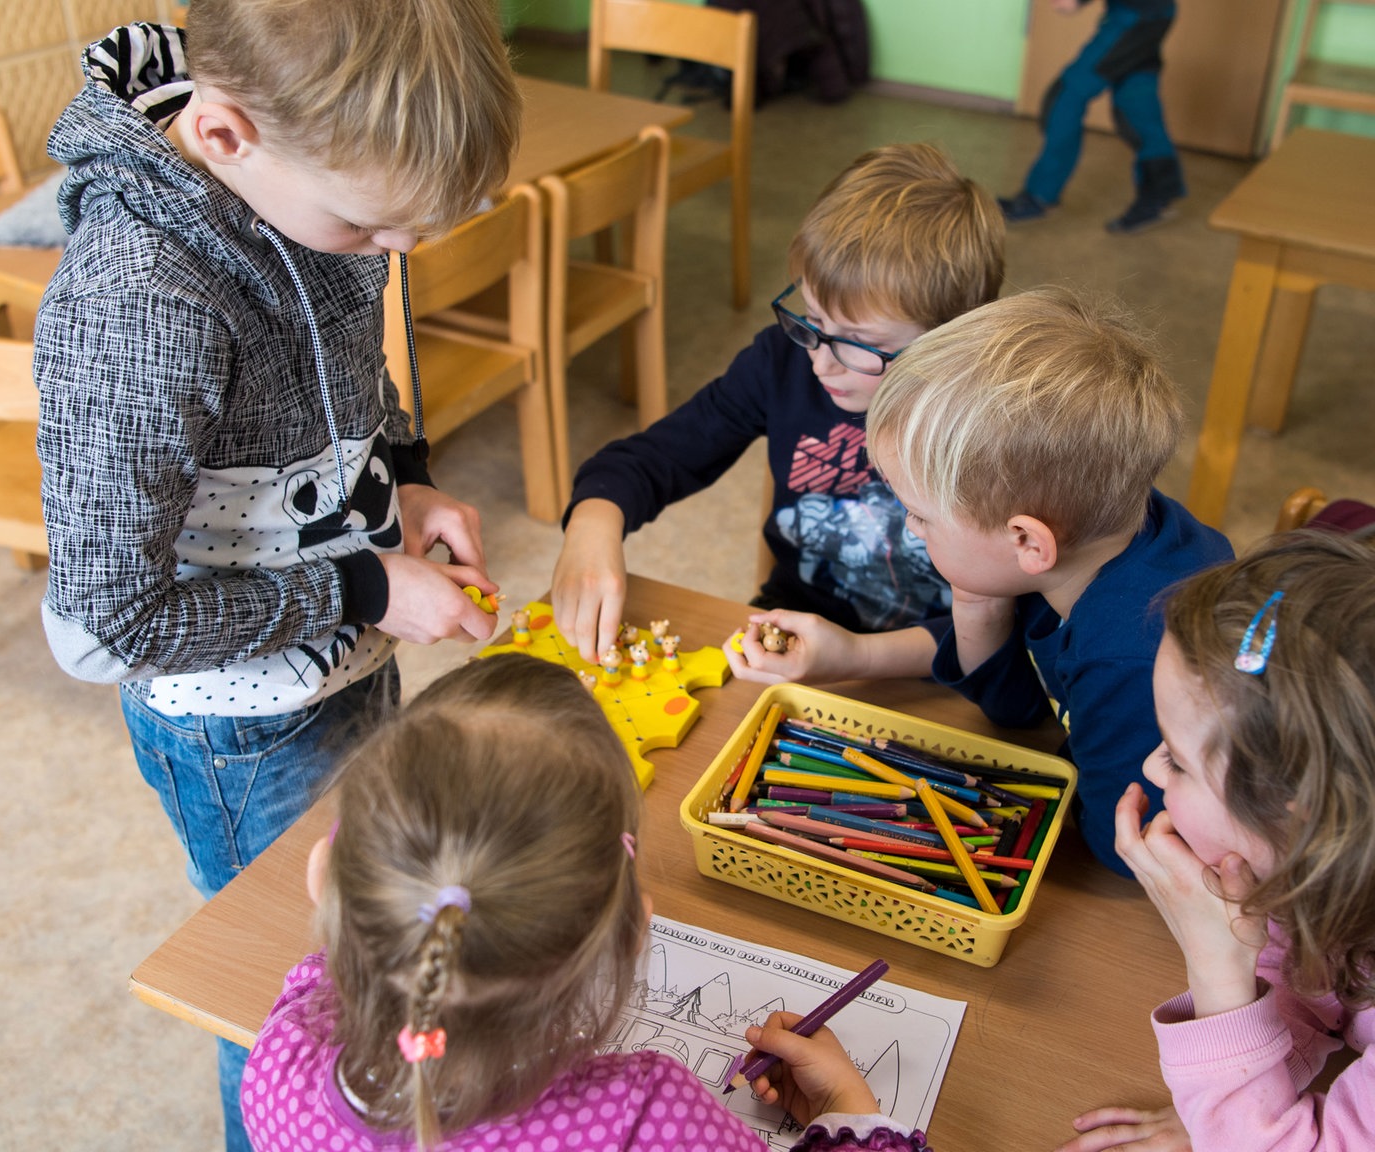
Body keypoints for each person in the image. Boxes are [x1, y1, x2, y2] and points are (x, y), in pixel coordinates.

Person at [31, 4, 520, 1147]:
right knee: (280, 990)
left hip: (340, 664)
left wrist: (406, 478)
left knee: (363, 942)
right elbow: (102, 624)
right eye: (367, 225)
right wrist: (364, 586)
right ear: (228, 133)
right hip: (242, 728)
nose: (390, 256)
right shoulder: (140, 302)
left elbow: (344, 364)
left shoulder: (297, 195)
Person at [241, 654, 929, 1152]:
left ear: (326, 875)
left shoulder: (279, 1061)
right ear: (634, 934)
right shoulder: (647, 1120)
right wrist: (850, 1113)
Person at [749, 287, 1229, 875]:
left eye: (921, 515)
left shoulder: (1134, 657)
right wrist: (975, 600)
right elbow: (1017, 708)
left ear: (1027, 542)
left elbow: (1126, 847)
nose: (912, 529)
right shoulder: (1090, 529)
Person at [551, 142, 1004, 665]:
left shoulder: (995, 429)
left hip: (935, 667)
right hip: (791, 630)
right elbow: (655, 456)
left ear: (953, 339)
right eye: (812, 318)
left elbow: (996, 644)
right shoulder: (782, 361)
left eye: (857, 343)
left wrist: (854, 657)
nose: (820, 362)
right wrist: (592, 523)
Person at [1054, 530, 1375, 1152]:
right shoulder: (1324, 861)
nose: (1150, 770)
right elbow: (1317, 986)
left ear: (1299, 815)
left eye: (1176, 759)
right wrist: (1237, 1113)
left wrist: (1217, 972)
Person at [999, 0, 1185, 234]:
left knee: (1066, 97)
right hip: (1152, 14)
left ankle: (1040, 196)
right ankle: (1158, 195)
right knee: (1136, 106)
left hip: (1135, 17)